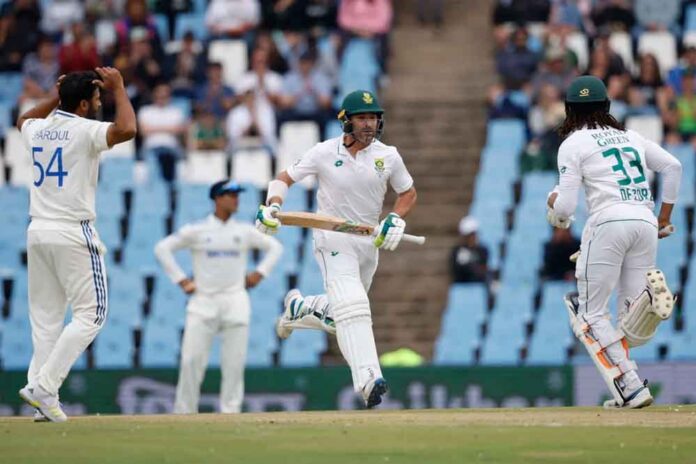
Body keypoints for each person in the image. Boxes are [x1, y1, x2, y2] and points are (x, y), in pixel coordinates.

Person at [256, 90, 417, 409]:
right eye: (362, 118)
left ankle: (300, 308)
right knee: (354, 306)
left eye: (373, 118)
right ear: (346, 121)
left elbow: (408, 192)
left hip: (368, 243)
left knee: (339, 315)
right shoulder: (324, 152)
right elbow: (283, 179)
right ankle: (369, 379)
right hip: (332, 238)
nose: (369, 124)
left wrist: (394, 218)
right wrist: (273, 205)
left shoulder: (389, 155)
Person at [547, 75, 681, 409]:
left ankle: (632, 386)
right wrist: (664, 218)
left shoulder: (573, 143)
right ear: (607, 106)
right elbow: (673, 166)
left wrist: (551, 200)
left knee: (588, 315)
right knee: (628, 323)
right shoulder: (631, 136)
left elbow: (565, 208)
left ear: (569, 110)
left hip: (608, 221)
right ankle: (646, 305)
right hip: (644, 220)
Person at [17, 67, 137, 422]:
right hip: (72, 231)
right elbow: (127, 129)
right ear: (83, 105)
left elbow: (23, 119)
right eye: (97, 99)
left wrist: (57, 95)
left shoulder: (39, 129)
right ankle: (44, 388)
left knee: (46, 320)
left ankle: (41, 397)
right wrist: (119, 88)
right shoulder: (85, 130)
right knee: (92, 313)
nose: (99, 104)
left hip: (38, 230)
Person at [154, 180, 282, 414]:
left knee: (234, 363)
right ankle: (184, 412)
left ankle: (231, 411)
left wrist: (259, 273)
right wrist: (182, 280)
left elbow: (275, 247)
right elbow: (162, 248)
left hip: (236, 300)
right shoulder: (197, 230)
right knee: (191, 360)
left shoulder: (243, 230)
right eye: (230, 194)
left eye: (237, 195)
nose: (236, 199)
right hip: (203, 301)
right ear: (216, 198)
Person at [450, 216, 488, 283]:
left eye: (474, 235)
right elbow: (456, 271)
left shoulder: (482, 251)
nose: (472, 238)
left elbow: (483, 270)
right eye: (470, 235)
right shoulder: (457, 251)